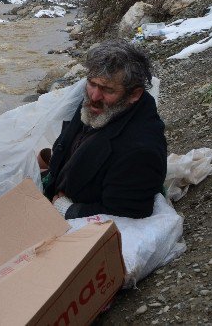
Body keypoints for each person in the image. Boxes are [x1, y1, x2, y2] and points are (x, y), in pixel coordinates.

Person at [43, 40, 167, 219]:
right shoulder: (102, 105)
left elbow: (127, 211)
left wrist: (69, 210)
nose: (94, 96)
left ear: (134, 94)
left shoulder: (140, 151)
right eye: (91, 83)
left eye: (107, 90)